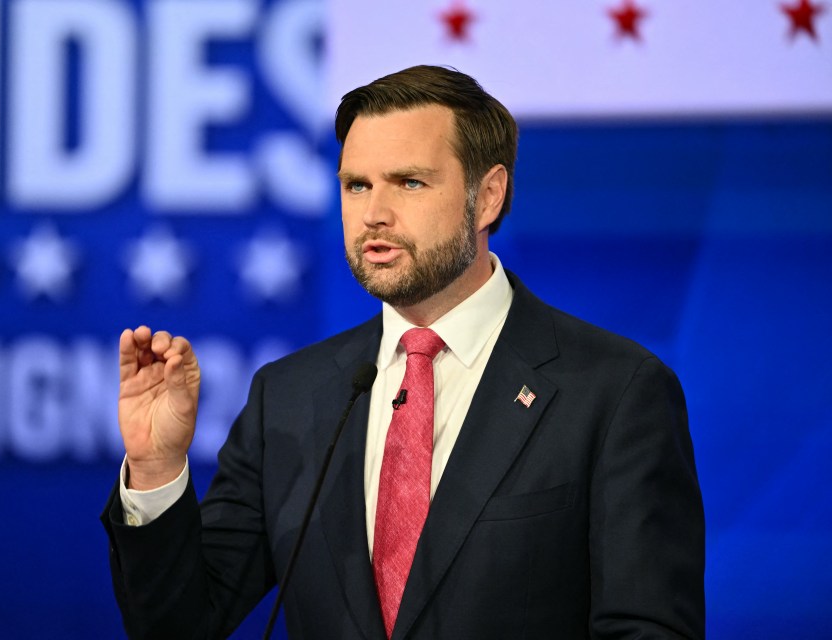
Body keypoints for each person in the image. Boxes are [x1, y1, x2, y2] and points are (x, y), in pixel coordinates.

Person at [101, 65, 705, 639]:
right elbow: (179, 628)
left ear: (488, 197)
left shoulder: (613, 391)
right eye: (356, 185)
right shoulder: (287, 396)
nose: (374, 215)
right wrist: (156, 470)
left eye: (409, 183)